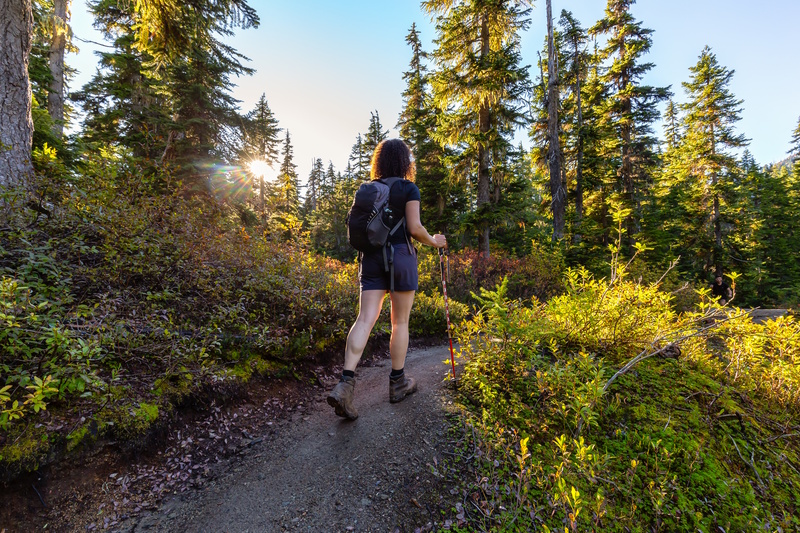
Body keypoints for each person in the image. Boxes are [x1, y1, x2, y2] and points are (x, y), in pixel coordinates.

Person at [327, 139, 447, 420]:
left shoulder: (369, 189)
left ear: (379, 161)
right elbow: (415, 229)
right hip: (401, 257)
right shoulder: (408, 188)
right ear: (405, 162)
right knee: (399, 321)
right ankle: (398, 382)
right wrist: (435, 242)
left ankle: (345, 383)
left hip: (371, 259)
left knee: (365, 319)